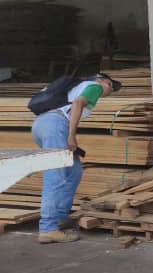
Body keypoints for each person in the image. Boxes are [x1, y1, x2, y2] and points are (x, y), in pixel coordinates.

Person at [33, 73, 121, 243]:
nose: (110, 92)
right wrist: (71, 135)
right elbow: (78, 103)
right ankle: (48, 228)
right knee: (55, 176)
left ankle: (59, 218)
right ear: (102, 80)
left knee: (74, 171)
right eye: (111, 86)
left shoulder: (73, 86)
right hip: (56, 126)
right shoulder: (95, 86)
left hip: (41, 125)